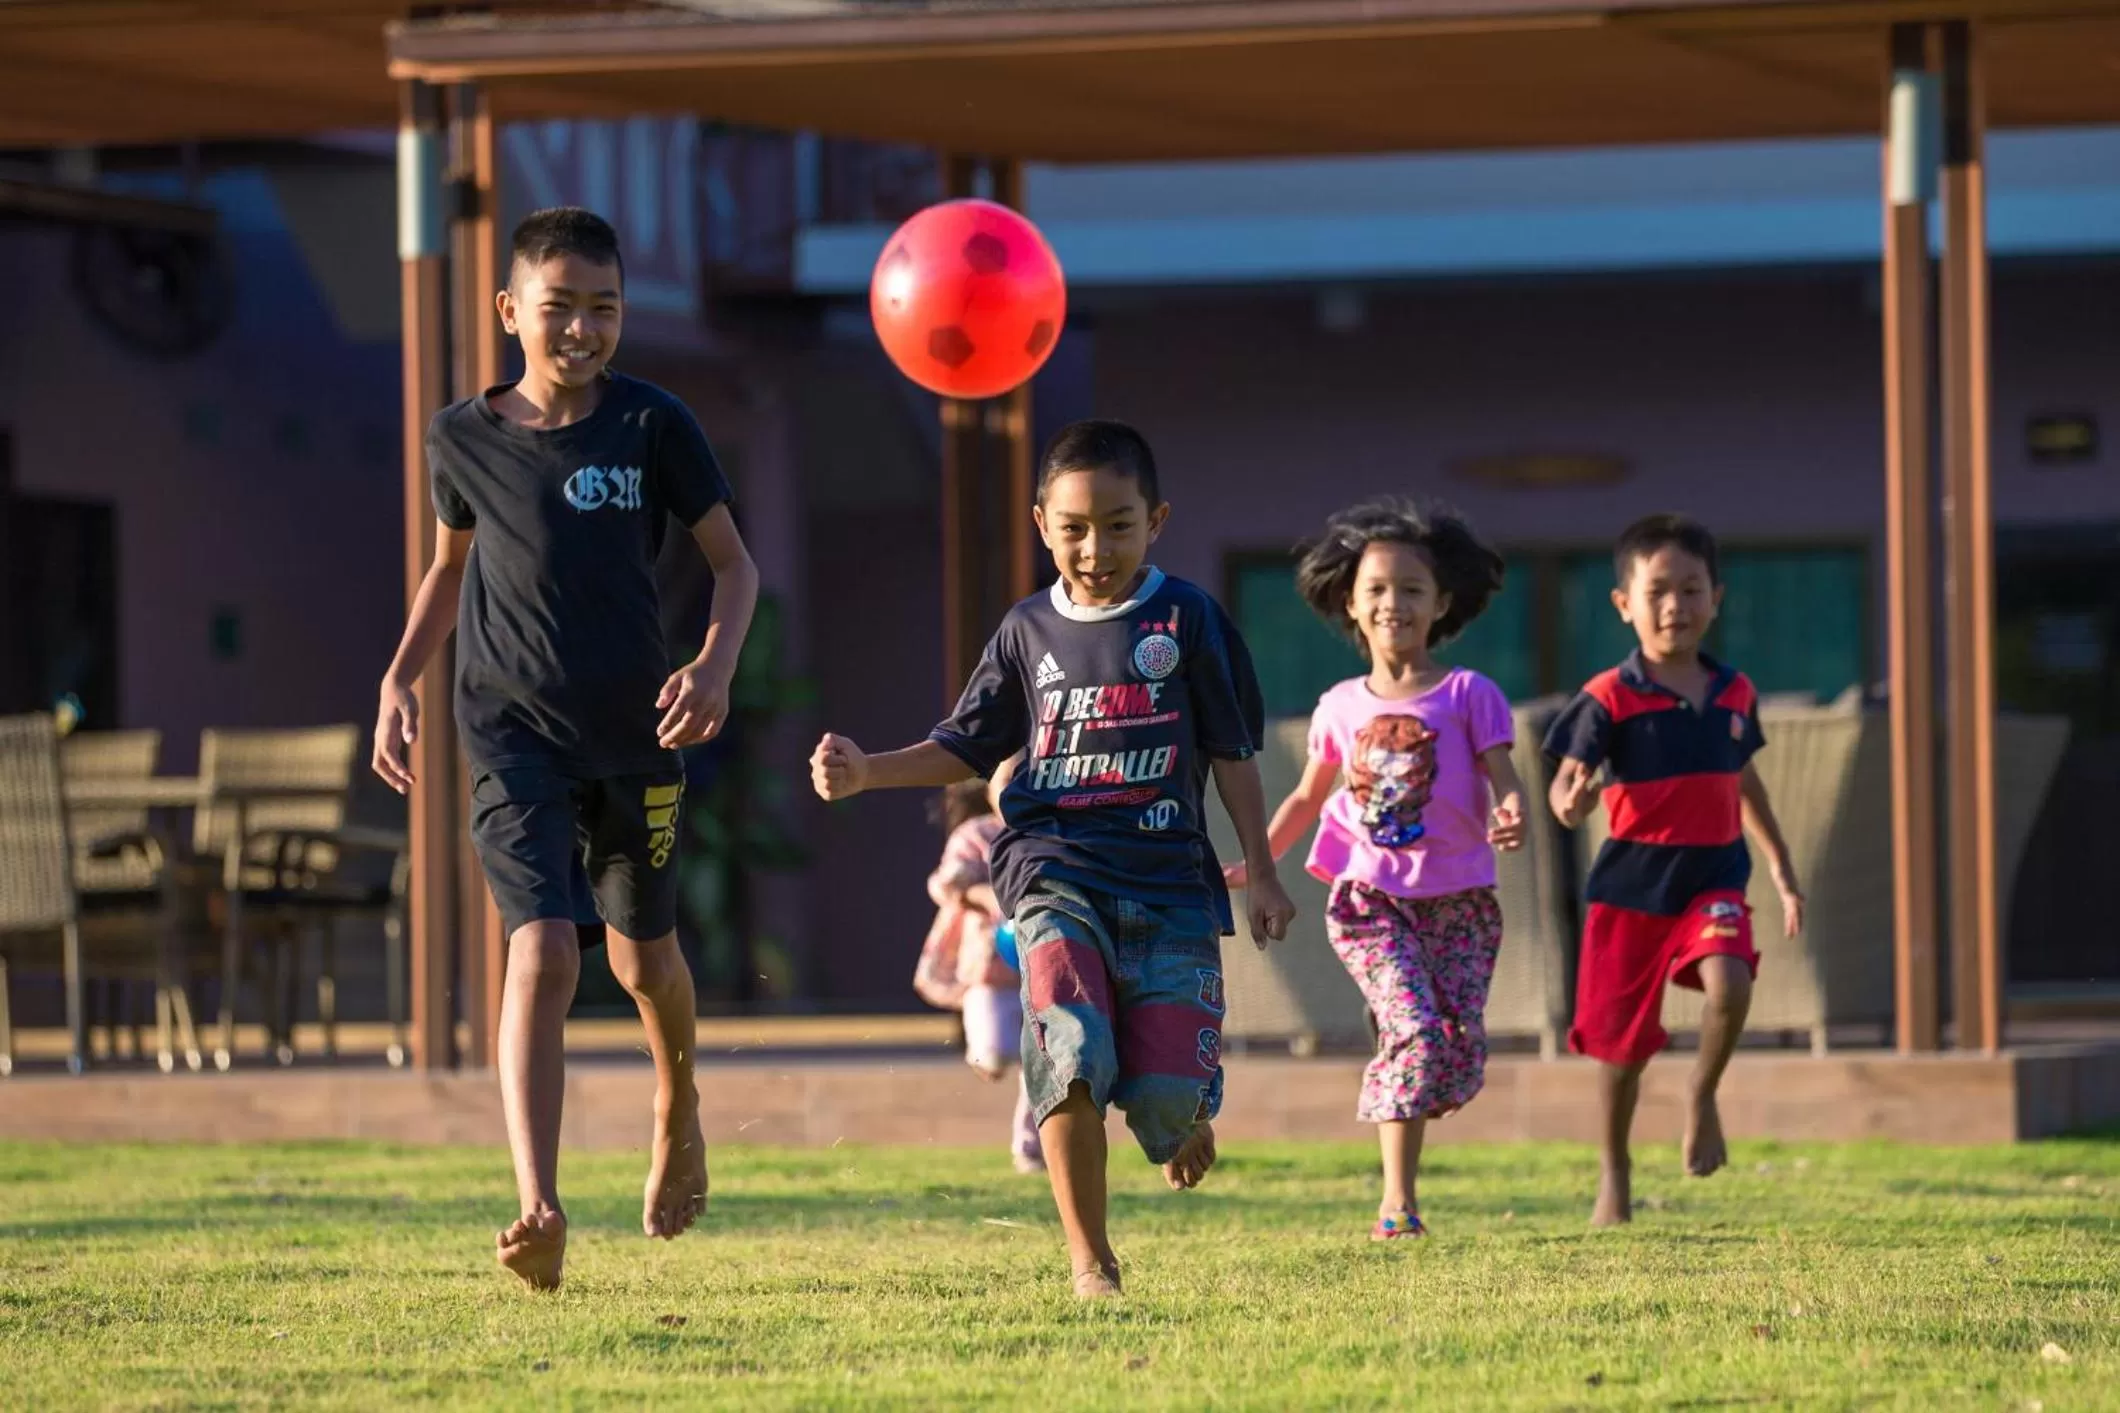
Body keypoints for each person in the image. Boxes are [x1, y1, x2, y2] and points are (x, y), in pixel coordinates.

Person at [810, 419, 1295, 1298]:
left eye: (1118, 523)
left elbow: (1231, 756)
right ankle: (1090, 1264)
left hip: (1169, 886)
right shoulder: (1026, 628)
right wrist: (869, 772)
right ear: (1041, 523)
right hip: (1052, 872)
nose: (1095, 546)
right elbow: (964, 742)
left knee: (1159, 1099)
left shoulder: (1189, 618)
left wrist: (1260, 870)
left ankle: (1180, 1108)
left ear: (1157, 519)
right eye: (1074, 526)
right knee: (1068, 1046)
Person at [371, 206, 760, 1290]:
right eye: (560, 308)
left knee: (642, 961)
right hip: (509, 733)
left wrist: (714, 666)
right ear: (511, 312)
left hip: (635, 736)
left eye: (604, 309)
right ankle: (537, 1202)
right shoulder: (460, 437)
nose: (583, 330)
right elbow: (450, 571)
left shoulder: (652, 425)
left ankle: (676, 1098)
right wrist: (401, 674)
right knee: (538, 950)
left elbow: (736, 569)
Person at [1229, 500, 1523, 1239]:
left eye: (1413, 589)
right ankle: (1398, 1201)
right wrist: (1261, 860)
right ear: (1352, 605)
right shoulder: (1339, 706)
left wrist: (1512, 807)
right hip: (1369, 898)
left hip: (1459, 899)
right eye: (1379, 589)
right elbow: (1307, 794)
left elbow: (1502, 773)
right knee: (1417, 1033)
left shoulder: (1469, 695)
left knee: (1455, 1050)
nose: (1395, 603)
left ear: (1442, 603)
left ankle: (1406, 1038)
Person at [1542, 514, 1803, 1227]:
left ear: (1716, 597)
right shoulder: (1608, 696)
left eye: (1691, 590)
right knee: (1619, 1052)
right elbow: (1565, 789)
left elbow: (1743, 781)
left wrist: (1779, 866)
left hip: (1713, 878)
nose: (1675, 607)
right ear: (1623, 601)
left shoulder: (1735, 691)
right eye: (1657, 590)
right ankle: (1614, 1170)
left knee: (1731, 982)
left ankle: (1701, 1094)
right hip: (1629, 892)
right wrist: (1573, 802)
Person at [916, 758, 1043, 1172]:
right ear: (989, 789)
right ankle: (983, 1052)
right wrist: (984, 894)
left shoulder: (1050, 833)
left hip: (1043, 968)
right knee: (995, 1053)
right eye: (1007, 782)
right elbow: (945, 882)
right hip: (988, 967)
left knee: (1041, 1063)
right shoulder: (976, 835)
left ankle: (1030, 1149)